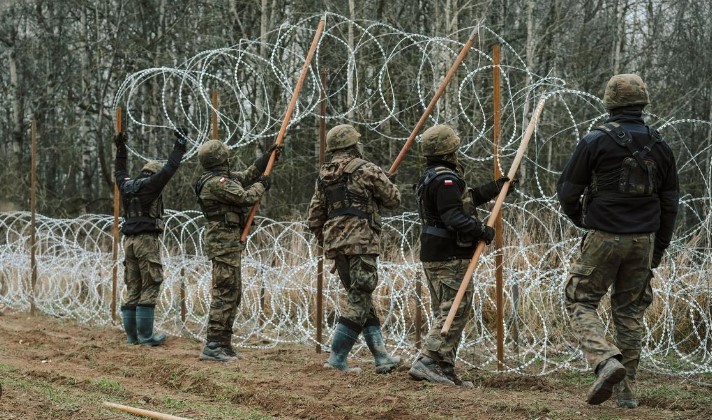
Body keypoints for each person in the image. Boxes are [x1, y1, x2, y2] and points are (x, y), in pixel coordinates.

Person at [557, 74, 679, 407]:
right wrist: (659, 248)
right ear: (643, 102)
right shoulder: (661, 145)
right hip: (644, 239)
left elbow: (567, 191)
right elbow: (670, 204)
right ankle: (627, 395)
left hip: (604, 235)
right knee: (629, 312)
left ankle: (605, 360)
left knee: (578, 300)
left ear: (610, 102)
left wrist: (582, 220)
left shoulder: (595, 141)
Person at [408, 124, 512, 387]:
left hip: (435, 253)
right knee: (454, 311)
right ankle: (429, 359)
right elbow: (453, 216)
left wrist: (496, 188)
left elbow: (465, 200)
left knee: (445, 311)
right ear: (449, 150)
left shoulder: (433, 176)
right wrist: (482, 230)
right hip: (449, 254)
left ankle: (443, 369)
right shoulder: (446, 179)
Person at [307, 124, 401, 374]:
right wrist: (386, 183)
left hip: (336, 245)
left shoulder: (323, 176)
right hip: (362, 242)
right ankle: (337, 357)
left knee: (361, 298)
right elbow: (393, 200)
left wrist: (328, 241)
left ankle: (381, 357)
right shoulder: (367, 169)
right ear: (353, 145)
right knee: (360, 296)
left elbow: (315, 217)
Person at [194, 139, 279, 362]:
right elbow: (244, 197)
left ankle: (223, 343)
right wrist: (263, 183)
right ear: (221, 159)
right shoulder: (216, 183)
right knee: (224, 293)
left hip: (228, 243)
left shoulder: (220, 180)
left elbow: (243, 177)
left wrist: (265, 160)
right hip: (223, 244)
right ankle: (213, 345)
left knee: (233, 292)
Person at [114, 128, 187, 346]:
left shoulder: (126, 185)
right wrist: (180, 145)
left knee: (133, 286)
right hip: (146, 240)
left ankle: (132, 337)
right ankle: (146, 337)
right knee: (151, 283)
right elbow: (170, 168)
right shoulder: (152, 186)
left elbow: (119, 170)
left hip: (128, 242)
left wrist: (120, 147)